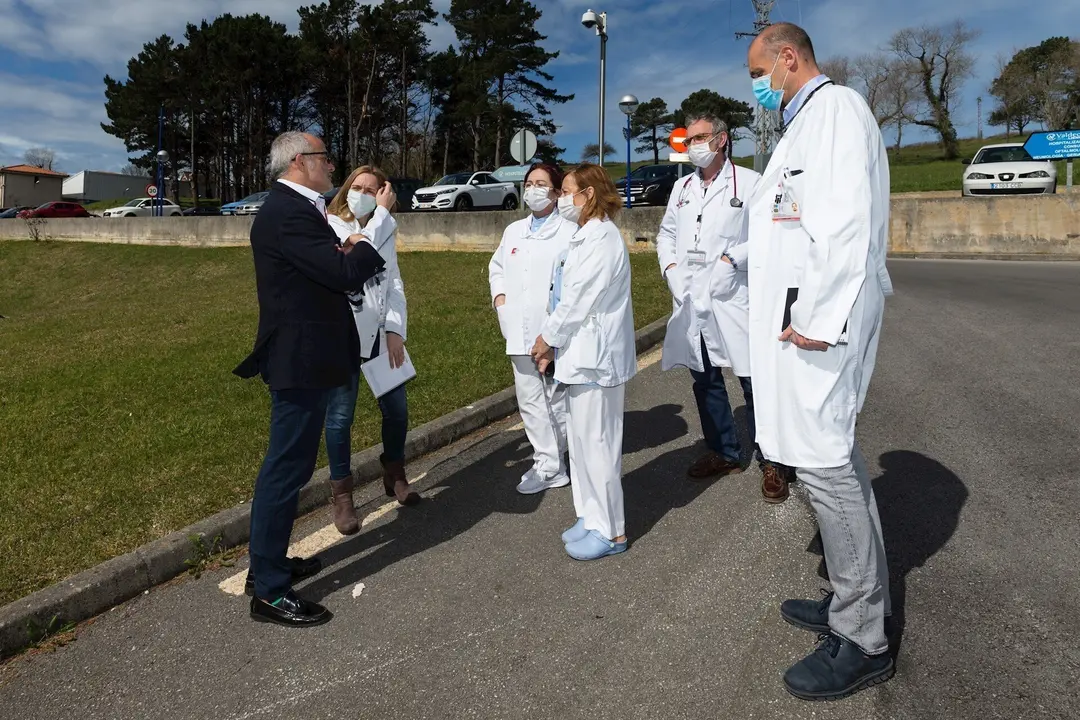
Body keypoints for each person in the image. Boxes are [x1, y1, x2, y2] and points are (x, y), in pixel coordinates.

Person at [744, 23, 895, 699]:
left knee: (826, 466)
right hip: (803, 328)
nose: (755, 87)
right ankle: (849, 602)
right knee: (829, 457)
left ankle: (863, 637)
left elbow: (844, 227)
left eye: (758, 71)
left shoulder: (835, 111)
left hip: (817, 329)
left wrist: (816, 319)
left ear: (787, 57)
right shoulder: (802, 127)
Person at [233, 131, 386, 628]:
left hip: (310, 355)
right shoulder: (288, 211)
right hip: (299, 360)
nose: (330, 164)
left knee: (290, 467)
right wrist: (362, 243)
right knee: (286, 469)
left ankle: (268, 566)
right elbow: (340, 273)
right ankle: (270, 592)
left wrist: (351, 246)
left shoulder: (302, 208)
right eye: (323, 157)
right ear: (300, 161)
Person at [656, 112, 794, 503]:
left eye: (700, 137)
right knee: (705, 378)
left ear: (722, 140)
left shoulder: (751, 183)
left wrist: (733, 260)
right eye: (688, 140)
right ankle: (724, 451)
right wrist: (669, 267)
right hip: (690, 296)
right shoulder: (681, 187)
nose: (693, 145)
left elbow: (770, 233)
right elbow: (667, 233)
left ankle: (774, 460)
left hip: (734, 296)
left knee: (754, 381)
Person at [530, 164, 636, 561]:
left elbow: (578, 301)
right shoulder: (583, 236)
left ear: (589, 194)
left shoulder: (602, 240)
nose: (561, 200)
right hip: (580, 357)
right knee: (581, 444)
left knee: (598, 446)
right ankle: (590, 517)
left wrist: (547, 339)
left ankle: (612, 532)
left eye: (567, 192)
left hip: (598, 360)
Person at [323, 165, 419, 535]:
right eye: (357, 186)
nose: (361, 193)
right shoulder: (330, 224)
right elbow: (353, 258)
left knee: (396, 409)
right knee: (340, 417)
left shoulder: (385, 226)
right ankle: (342, 494)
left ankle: (393, 471)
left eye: (371, 188)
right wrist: (382, 214)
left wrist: (395, 329)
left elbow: (392, 279)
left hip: (379, 332)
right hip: (344, 333)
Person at [489, 163, 575, 495]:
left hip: (553, 330)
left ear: (556, 192)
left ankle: (553, 463)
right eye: (528, 183)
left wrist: (553, 332)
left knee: (555, 398)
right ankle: (550, 461)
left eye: (541, 183)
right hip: (517, 328)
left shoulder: (569, 231)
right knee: (530, 399)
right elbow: (496, 266)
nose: (533, 189)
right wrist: (500, 299)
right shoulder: (514, 230)